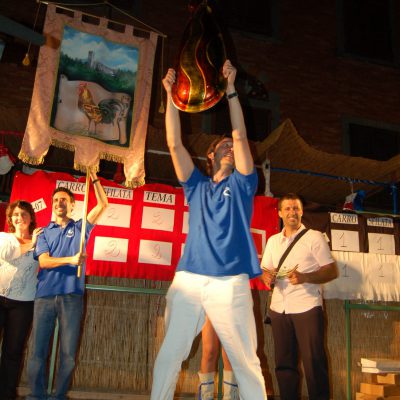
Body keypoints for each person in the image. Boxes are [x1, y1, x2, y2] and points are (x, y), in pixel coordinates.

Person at [150, 60, 267, 400]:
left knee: (246, 362)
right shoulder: (196, 186)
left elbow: (240, 135)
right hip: (188, 279)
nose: (230, 147)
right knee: (170, 354)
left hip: (230, 282)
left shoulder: (244, 184)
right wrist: (171, 96)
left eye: (233, 147)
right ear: (210, 155)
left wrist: (231, 90)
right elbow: (174, 144)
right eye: (223, 146)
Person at [27, 170, 108, 400]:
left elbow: (103, 204)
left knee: (68, 355)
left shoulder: (81, 228)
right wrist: (71, 260)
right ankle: (37, 396)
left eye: (63, 199)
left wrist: (94, 177)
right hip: (44, 297)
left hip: (72, 296)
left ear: (72, 205)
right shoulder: (43, 232)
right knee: (37, 353)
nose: (58, 203)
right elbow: (44, 261)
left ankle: (59, 396)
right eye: (55, 200)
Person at [260, 193, 338, 400]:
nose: (292, 212)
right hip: (279, 308)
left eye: (296, 208)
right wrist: (266, 276)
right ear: (280, 213)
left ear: (302, 212)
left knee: (314, 362)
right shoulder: (273, 241)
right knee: (284, 364)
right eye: (287, 208)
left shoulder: (315, 237)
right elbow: (264, 270)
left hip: (307, 307)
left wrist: (306, 277)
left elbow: (331, 271)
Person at [0, 200, 42, 400]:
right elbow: (7, 254)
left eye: (24, 214)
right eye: (15, 214)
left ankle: (7, 394)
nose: (19, 218)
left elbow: (47, 262)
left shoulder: (40, 242)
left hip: (23, 303)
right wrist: (31, 244)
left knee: (13, 351)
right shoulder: (4, 238)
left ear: (31, 218)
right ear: (10, 218)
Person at [198, 316, 239, 400]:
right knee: (209, 350)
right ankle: (206, 396)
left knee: (229, 353)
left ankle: (230, 397)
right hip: (210, 307)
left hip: (233, 308)